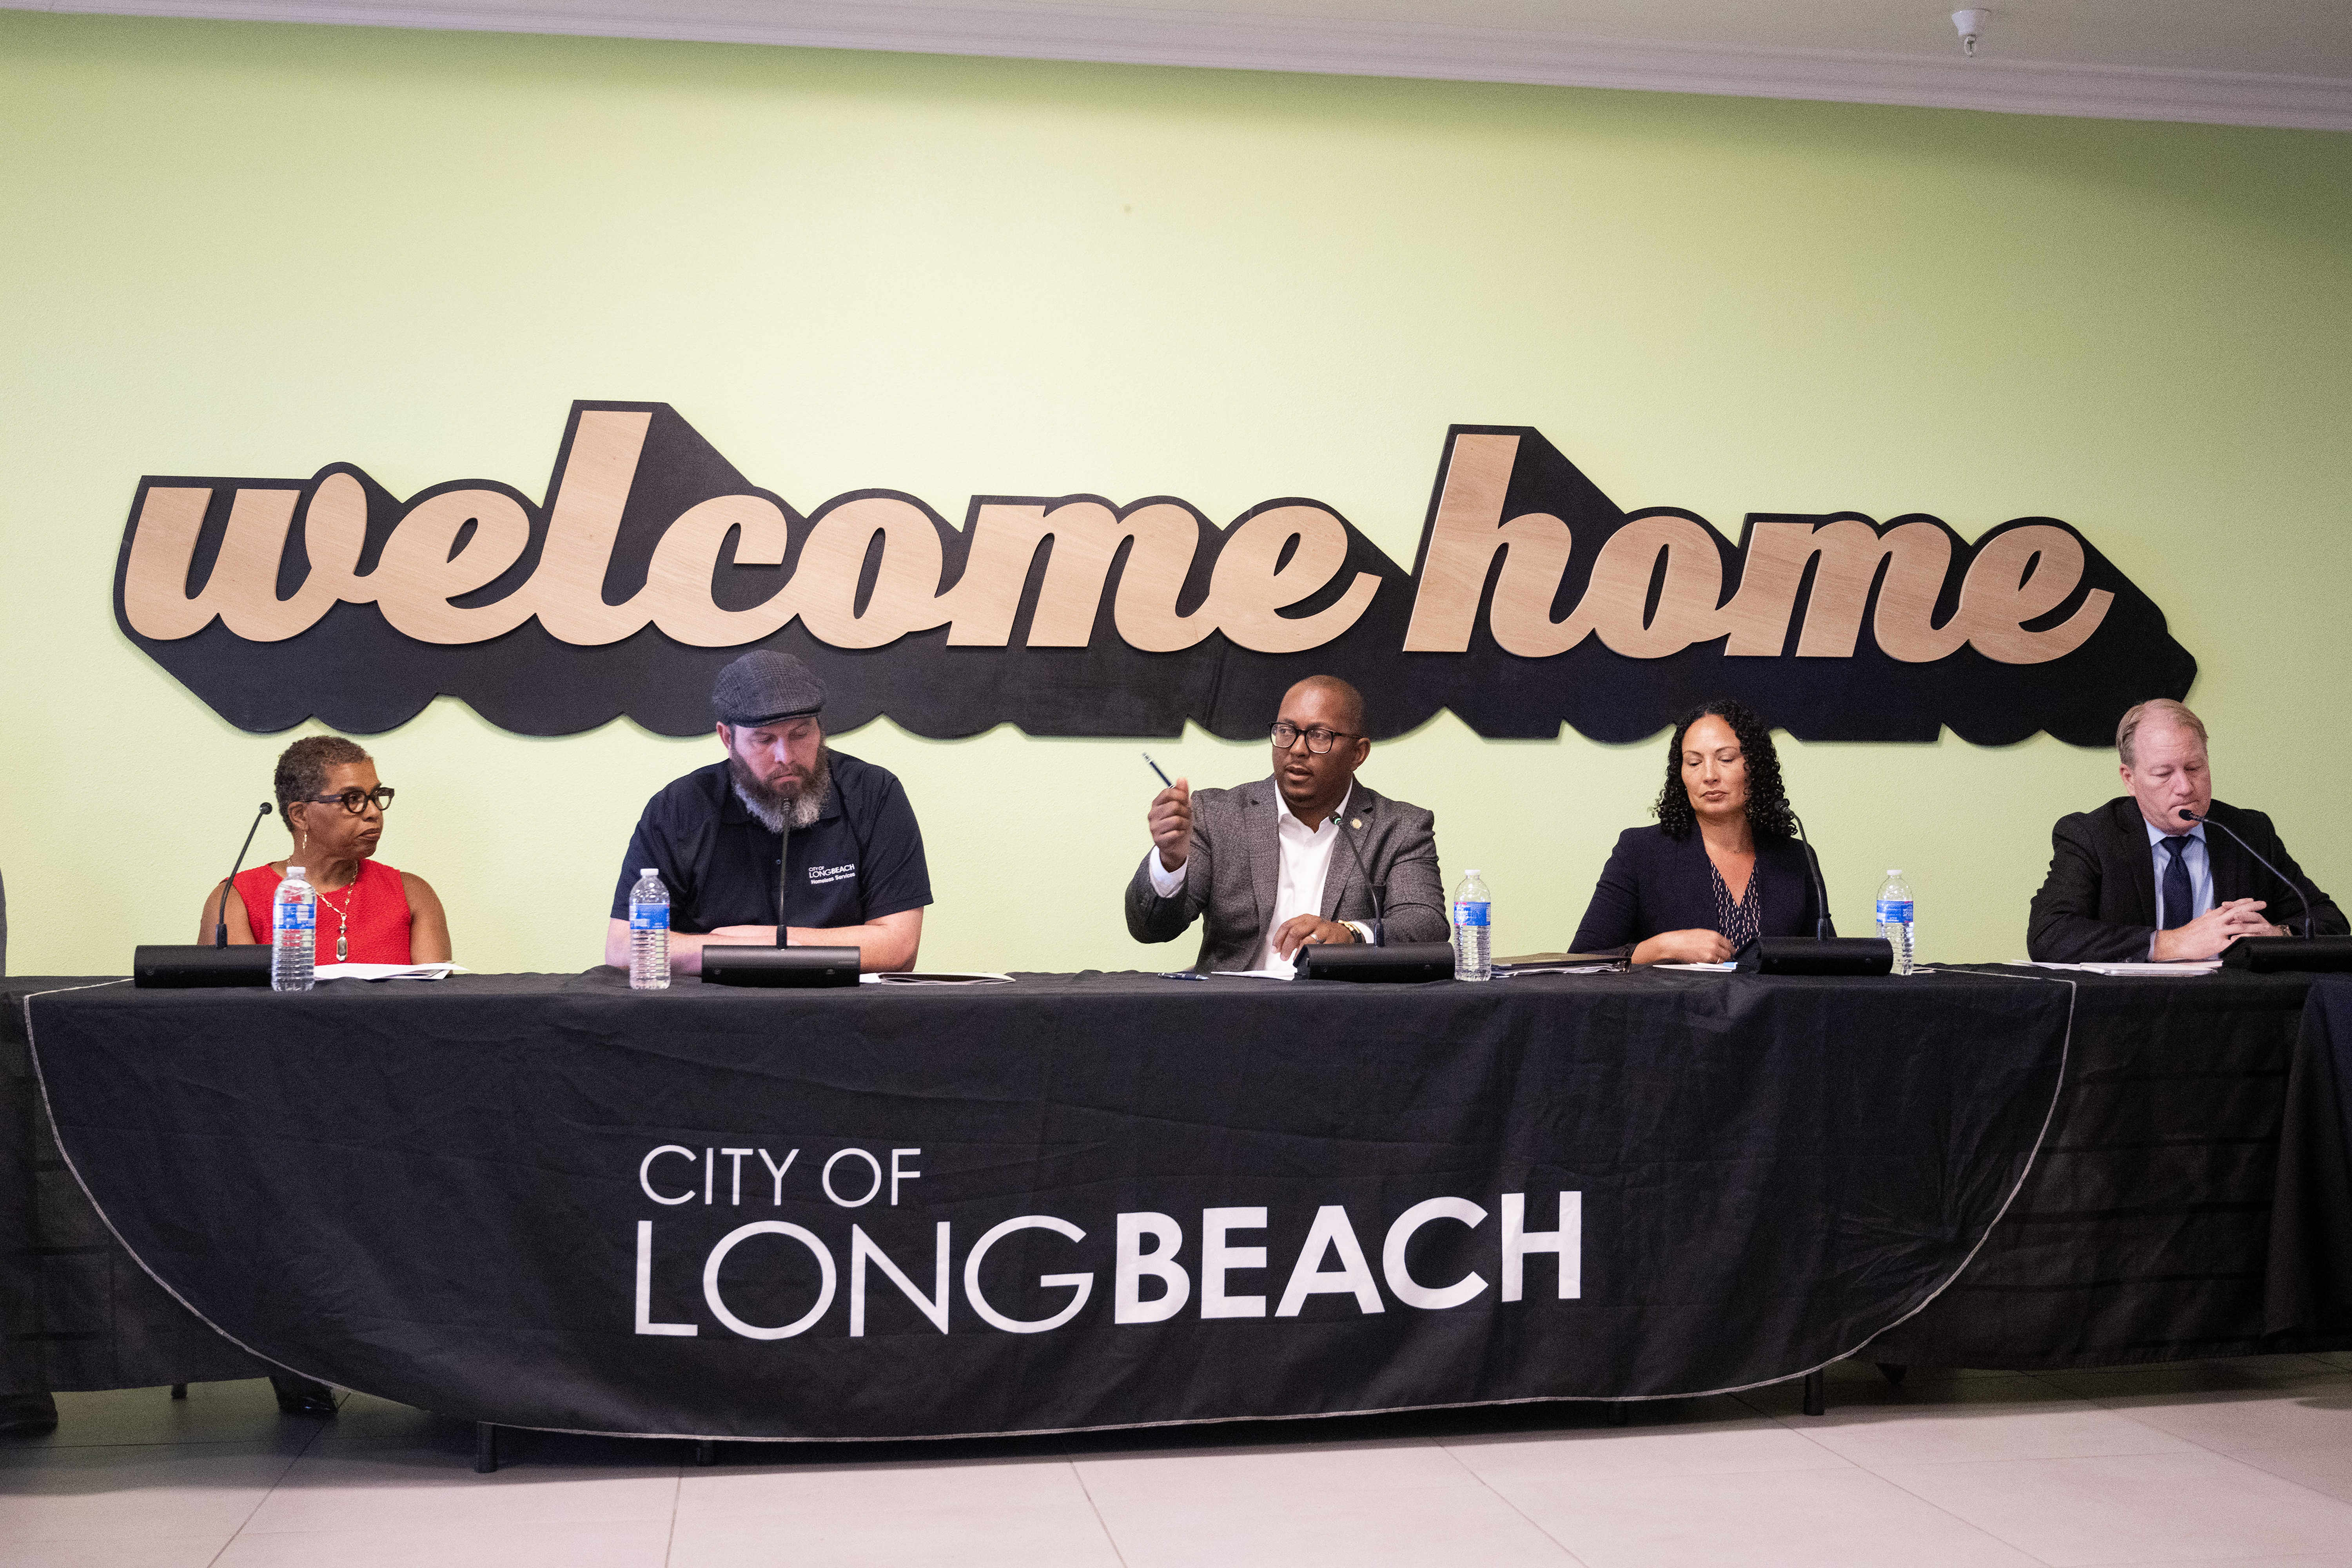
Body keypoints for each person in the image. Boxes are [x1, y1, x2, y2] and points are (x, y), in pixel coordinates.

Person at [605, 650, 929, 975]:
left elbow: (899, 948)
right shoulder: (678, 808)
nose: (785, 757)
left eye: (801, 734)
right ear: (727, 738)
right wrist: (739, 948)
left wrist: (768, 940)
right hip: (710, 1014)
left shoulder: (874, 794)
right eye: (764, 739)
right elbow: (625, 948)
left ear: (820, 729)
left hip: (841, 1013)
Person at [1125, 675, 1445, 973]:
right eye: (1286, 731)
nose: (1297, 749)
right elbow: (1151, 929)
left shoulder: (1400, 827)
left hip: (1344, 1013)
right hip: (1233, 1013)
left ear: (1358, 754)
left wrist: (1351, 934)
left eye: (1319, 736)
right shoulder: (1218, 815)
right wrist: (1171, 861)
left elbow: (1424, 924)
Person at [2026, 699, 2345, 962]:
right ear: (2130, 779)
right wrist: (2171, 943)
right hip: (2128, 1018)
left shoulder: (2248, 832)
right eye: (2164, 774)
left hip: (2235, 1017)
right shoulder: (2092, 836)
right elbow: (2049, 934)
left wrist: (2277, 936)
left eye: (2195, 768)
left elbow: (2329, 920)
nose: (2185, 787)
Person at [1571, 698, 1828, 963]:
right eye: (1693, 763)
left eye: (1726, 759)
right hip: (1673, 1005)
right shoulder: (1640, 851)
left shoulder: (1797, 857)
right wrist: (1663, 948)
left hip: (1773, 1006)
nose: (1709, 775)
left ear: (1756, 767)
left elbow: (1825, 964)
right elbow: (1581, 959)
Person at [198, 736, 452, 966]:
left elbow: (432, 1009)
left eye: (376, 796)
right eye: (353, 799)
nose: (374, 812)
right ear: (300, 815)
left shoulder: (413, 895)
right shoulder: (236, 900)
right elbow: (235, 1010)